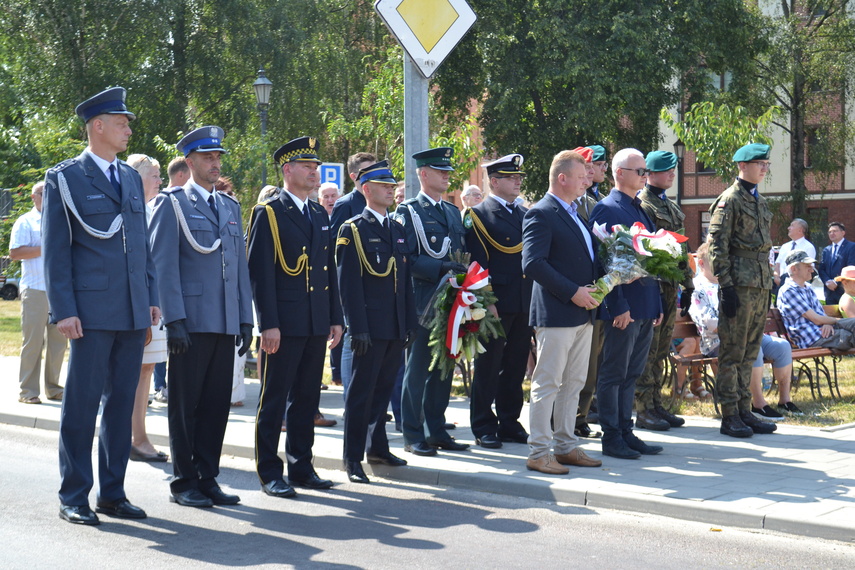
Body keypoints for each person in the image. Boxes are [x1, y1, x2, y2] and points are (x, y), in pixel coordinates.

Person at [43, 87, 159, 525]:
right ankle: (74, 494)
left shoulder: (129, 178)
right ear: (98, 126)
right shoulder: (66, 177)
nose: (129, 129)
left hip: (130, 311)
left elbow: (141, 246)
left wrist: (149, 299)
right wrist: (63, 309)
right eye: (122, 122)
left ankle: (112, 492)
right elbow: (57, 251)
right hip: (89, 312)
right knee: (82, 403)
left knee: (120, 404)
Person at [149, 126, 253, 508]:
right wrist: (174, 319)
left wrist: (245, 318)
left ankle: (208, 477)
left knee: (214, 405)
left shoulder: (229, 207)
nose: (215, 164)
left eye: (218, 158)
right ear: (190, 162)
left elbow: (238, 268)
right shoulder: (172, 203)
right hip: (190, 322)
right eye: (207, 158)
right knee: (185, 404)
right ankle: (184, 481)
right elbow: (164, 265)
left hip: (225, 321)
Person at [247, 136, 343, 498]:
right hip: (283, 324)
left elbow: (326, 270)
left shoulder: (318, 212)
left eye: (316, 167)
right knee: (274, 398)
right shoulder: (269, 212)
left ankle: (302, 465)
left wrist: (334, 316)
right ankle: (270, 470)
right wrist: (267, 323)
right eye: (307, 166)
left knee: (306, 399)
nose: (314, 172)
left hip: (315, 320)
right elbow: (261, 273)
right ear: (288, 170)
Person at [522, 150, 603, 474]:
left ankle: (566, 445)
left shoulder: (576, 212)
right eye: (581, 175)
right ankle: (539, 452)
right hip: (557, 313)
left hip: (582, 313)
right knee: (548, 383)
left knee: (574, 382)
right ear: (562, 178)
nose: (587, 179)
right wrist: (574, 292)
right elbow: (532, 263)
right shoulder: (541, 213)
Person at [336, 160, 416, 483]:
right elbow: (348, 285)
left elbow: (405, 280)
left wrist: (408, 323)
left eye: (392, 184)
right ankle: (352, 458)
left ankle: (378, 449)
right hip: (369, 328)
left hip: (394, 327)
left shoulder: (396, 229)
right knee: (361, 394)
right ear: (366, 189)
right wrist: (358, 328)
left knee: (382, 392)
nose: (391, 189)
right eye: (384, 185)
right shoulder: (353, 229)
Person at [393, 147, 469, 457]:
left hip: (453, 301)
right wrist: (439, 267)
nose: (447, 175)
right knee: (419, 367)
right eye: (440, 171)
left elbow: (462, 254)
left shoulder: (452, 212)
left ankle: (436, 429)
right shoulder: (409, 211)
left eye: (448, 170)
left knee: (445, 366)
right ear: (423, 174)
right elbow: (405, 259)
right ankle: (413, 433)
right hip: (424, 302)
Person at [589, 148, 663, 459]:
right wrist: (616, 304)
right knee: (614, 372)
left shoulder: (640, 208)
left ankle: (626, 430)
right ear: (620, 173)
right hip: (624, 307)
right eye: (640, 171)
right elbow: (603, 262)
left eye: (646, 171)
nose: (645, 177)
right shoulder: (607, 209)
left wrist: (656, 302)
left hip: (644, 303)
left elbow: (653, 258)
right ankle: (611, 435)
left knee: (632, 372)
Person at [707, 143, 777, 438]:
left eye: (767, 164)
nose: (764, 168)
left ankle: (745, 409)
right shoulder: (730, 200)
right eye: (759, 163)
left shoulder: (758, 201)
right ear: (742, 166)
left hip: (759, 283)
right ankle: (730, 415)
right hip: (739, 283)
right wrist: (725, 285)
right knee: (733, 352)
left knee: (750, 351)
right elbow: (717, 246)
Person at [464, 154, 531, 449]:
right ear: (494, 182)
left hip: (523, 299)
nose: (517, 182)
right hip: (495, 302)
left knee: (515, 365)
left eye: (518, 177)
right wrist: (486, 301)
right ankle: (483, 424)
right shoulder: (479, 215)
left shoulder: (524, 213)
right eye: (511, 177)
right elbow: (477, 264)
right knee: (489, 365)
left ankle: (509, 422)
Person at [690, 242, 800, 420]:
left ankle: (784, 400)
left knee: (782, 346)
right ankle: (758, 404)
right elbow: (707, 322)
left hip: (745, 334)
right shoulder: (697, 288)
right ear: (702, 263)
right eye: (716, 261)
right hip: (718, 341)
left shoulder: (729, 284)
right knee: (752, 348)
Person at [634, 151, 693, 431]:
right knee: (648, 349)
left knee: (660, 349)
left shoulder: (668, 205)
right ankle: (643, 409)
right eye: (666, 170)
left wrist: (688, 284)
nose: (672, 174)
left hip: (670, 286)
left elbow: (682, 248)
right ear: (650, 174)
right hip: (652, 284)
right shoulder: (643, 204)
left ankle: (656, 404)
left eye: (673, 170)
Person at [126, 154, 168, 462]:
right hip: (134, 303)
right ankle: (134, 438)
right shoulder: (129, 207)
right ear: (139, 177)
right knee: (135, 372)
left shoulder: (149, 207)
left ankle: (137, 436)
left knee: (146, 369)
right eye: (155, 175)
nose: (160, 180)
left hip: (151, 302)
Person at [10, 181, 67, 405]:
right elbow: (15, 253)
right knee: (33, 342)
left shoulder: (61, 221)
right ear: (34, 197)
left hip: (59, 291)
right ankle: (28, 391)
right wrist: (47, 247)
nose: (49, 196)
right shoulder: (25, 222)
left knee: (58, 343)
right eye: (44, 193)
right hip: (35, 289)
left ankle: (53, 388)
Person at [330, 152, 377, 395]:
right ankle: (352, 395)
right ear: (353, 176)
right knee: (351, 342)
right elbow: (335, 248)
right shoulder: (346, 204)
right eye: (366, 171)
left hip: (374, 287)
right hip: (351, 285)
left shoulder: (377, 201)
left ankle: (369, 399)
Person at [576, 145, 608, 438]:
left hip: (597, 291)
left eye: (593, 167)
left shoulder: (591, 202)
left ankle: (580, 416)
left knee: (591, 363)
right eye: (587, 167)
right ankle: (565, 418)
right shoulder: (573, 204)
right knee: (573, 364)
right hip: (574, 294)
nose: (592, 173)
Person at [777, 250, 855, 351]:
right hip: (812, 338)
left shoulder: (808, 287)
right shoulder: (788, 291)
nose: (812, 270)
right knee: (848, 335)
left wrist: (828, 323)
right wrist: (835, 321)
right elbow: (816, 319)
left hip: (824, 332)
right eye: (807, 266)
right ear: (794, 269)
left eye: (811, 266)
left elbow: (820, 315)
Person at [817, 222, 855, 305]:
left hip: (844, 289)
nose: (832, 234)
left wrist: (835, 282)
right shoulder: (826, 250)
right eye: (829, 232)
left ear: (843, 233)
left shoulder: (851, 247)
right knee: (831, 316)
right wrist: (827, 282)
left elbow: (851, 267)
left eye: (835, 231)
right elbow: (821, 269)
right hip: (829, 291)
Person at [773, 219, 815, 290]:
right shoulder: (785, 246)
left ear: (800, 230)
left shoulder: (808, 247)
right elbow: (778, 263)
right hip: (781, 281)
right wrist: (776, 277)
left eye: (792, 225)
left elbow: (808, 267)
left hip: (798, 282)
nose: (788, 228)